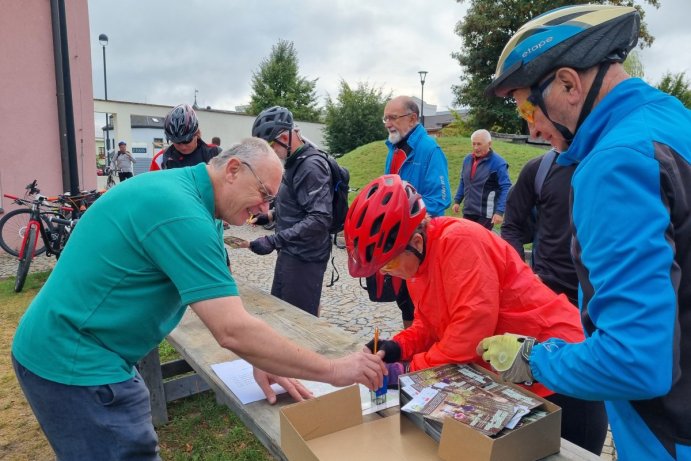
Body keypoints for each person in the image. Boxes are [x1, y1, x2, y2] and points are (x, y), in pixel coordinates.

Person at [11, 138, 386, 460]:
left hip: (79, 349)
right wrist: (335, 371)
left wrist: (260, 356)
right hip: (75, 364)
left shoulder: (186, 196)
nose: (265, 209)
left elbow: (218, 303)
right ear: (234, 169)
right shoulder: (183, 215)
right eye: (264, 194)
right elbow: (232, 329)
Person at [479, 5, 691, 460]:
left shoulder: (615, 163)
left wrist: (533, 358)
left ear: (569, 84)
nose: (532, 128)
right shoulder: (675, 123)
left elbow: (634, 362)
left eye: (527, 108)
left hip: (670, 434)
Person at [345, 175, 608, 454]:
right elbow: (429, 323)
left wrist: (409, 370)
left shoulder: (460, 242)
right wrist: (399, 346)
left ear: (417, 242)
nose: (389, 273)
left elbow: (468, 334)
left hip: (559, 370)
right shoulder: (417, 266)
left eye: (391, 263)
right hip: (516, 378)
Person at [247, 106, 332, 317]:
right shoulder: (294, 162)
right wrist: (270, 215)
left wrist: (274, 240)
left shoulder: (311, 167)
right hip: (290, 252)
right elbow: (296, 204)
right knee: (281, 314)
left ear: (285, 137)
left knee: (298, 322)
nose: (270, 155)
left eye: (270, 147)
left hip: (305, 257)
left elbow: (320, 219)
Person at [382, 95, 451, 328]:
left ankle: (424, 354)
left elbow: (441, 198)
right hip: (400, 239)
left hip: (422, 242)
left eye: (393, 117)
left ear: (412, 119)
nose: (388, 123)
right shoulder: (393, 146)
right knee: (403, 299)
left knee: (421, 302)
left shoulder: (430, 149)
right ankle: (408, 350)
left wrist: (403, 216)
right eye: (385, 118)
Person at [500, 147, 578, 304]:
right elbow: (511, 226)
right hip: (548, 289)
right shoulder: (539, 168)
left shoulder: (609, 163)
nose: (534, 132)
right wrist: (522, 276)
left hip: (601, 292)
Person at [451, 129, 511, 230]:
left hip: (485, 214)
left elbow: (506, 187)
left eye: (479, 144)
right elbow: (463, 181)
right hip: (468, 211)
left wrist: (500, 212)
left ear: (489, 144)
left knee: (479, 243)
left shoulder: (499, 163)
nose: (476, 147)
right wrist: (457, 201)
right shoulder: (467, 160)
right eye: (473, 144)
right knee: (467, 239)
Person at [160, 104, 222, 169]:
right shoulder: (161, 159)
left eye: (187, 140)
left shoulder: (216, 154)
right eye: (176, 142)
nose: (183, 147)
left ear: (197, 133)